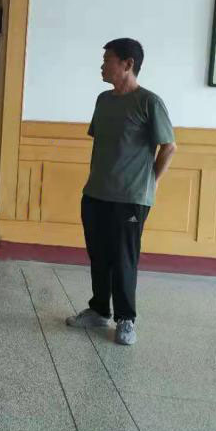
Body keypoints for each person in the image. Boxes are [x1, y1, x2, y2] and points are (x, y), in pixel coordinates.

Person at [66, 38, 176, 345]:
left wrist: (151, 181)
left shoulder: (149, 102)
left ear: (128, 64)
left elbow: (169, 147)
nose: (102, 66)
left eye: (108, 60)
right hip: (95, 193)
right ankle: (99, 309)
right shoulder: (104, 100)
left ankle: (126, 319)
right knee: (99, 255)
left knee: (124, 258)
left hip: (130, 198)